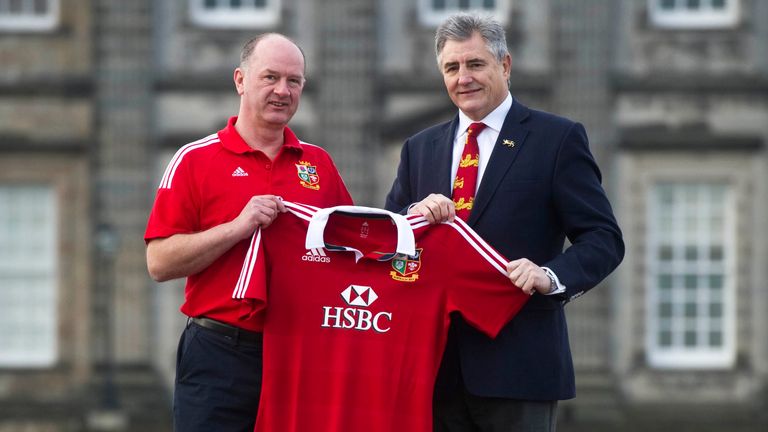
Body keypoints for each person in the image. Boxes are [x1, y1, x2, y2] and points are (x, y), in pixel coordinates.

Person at [384, 13, 624, 432]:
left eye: (475, 64)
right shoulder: (418, 148)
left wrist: (550, 275)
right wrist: (413, 217)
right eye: (452, 68)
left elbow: (603, 238)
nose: (464, 78)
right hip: (432, 369)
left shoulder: (557, 139)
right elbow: (389, 244)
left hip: (521, 368)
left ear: (505, 65)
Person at [144, 33, 352, 432]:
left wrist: (419, 218)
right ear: (240, 80)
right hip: (219, 353)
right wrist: (236, 229)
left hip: (300, 355)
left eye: (294, 81)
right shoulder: (194, 160)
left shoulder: (320, 165)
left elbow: (353, 252)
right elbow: (159, 262)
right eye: (270, 77)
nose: (282, 90)